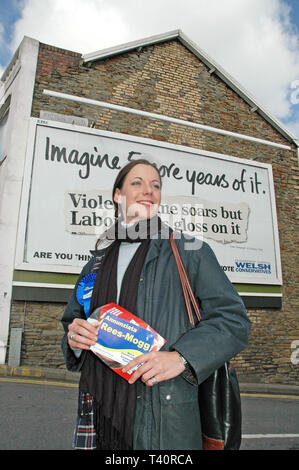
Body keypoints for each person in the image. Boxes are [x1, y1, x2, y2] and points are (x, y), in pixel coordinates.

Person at [61, 158, 251, 450]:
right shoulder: (95, 263)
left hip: (163, 416)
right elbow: (72, 322)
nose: (148, 190)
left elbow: (233, 320)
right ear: (118, 195)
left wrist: (182, 358)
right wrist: (75, 338)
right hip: (96, 412)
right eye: (137, 183)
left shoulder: (190, 251)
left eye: (156, 185)